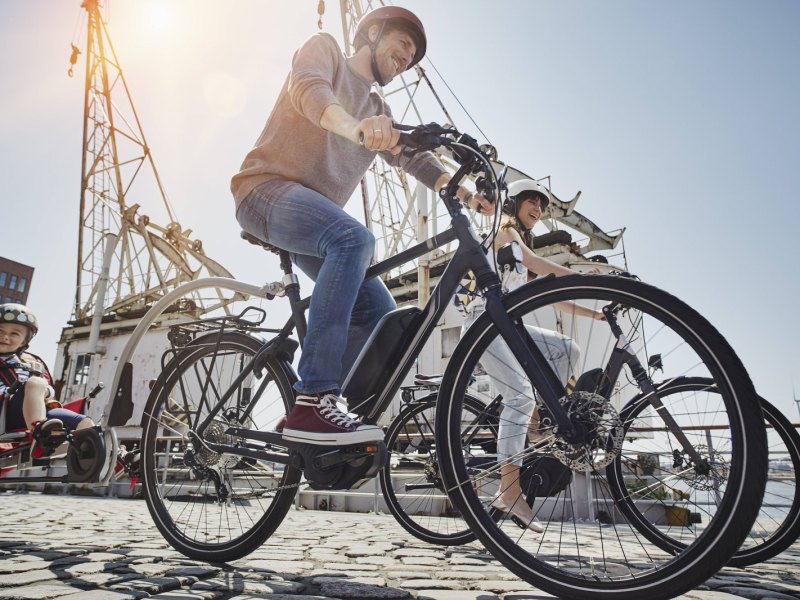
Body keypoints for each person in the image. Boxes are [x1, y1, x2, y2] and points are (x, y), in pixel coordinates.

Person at [231, 6, 491, 446]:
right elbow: (310, 93)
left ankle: (314, 416)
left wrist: (464, 192)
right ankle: (314, 399)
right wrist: (354, 128)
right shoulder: (326, 51)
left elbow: (415, 157)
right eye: (403, 44)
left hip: (312, 218)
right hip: (263, 191)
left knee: (379, 310)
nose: (407, 58)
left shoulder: (379, 108)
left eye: (413, 55)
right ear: (371, 33)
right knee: (355, 240)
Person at [460, 179, 604, 532]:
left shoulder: (518, 252)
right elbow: (541, 264)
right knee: (520, 396)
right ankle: (508, 493)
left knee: (567, 349)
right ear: (515, 203)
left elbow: (551, 295)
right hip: (482, 326)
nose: (538, 208)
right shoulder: (505, 231)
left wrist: (596, 313)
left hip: (509, 328)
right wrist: (589, 279)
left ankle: (539, 423)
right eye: (532, 201)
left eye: (542, 204)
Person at [0, 303, 92, 456]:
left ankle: (111, 458)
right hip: (6, 414)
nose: (5, 337)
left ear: (24, 341)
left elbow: (48, 391)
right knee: (35, 382)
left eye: (14, 334)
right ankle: (39, 433)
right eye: (0, 331)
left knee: (85, 423)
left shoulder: (33, 363)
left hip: (36, 411)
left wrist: (43, 391)